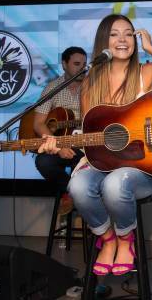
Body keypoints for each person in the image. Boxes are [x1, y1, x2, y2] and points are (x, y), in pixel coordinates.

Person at [38, 14, 152, 276]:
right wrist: (60, 143)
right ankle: (107, 238)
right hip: (105, 162)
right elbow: (93, 134)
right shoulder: (91, 82)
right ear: (104, 42)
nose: (122, 39)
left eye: (128, 33)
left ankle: (125, 237)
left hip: (142, 169)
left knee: (115, 183)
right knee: (77, 186)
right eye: (114, 34)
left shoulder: (147, 72)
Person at [34, 46, 87, 215]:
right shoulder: (52, 88)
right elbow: (39, 124)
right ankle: (72, 192)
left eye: (84, 64)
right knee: (43, 162)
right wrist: (58, 146)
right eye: (77, 64)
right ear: (64, 64)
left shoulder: (92, 87)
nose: (82, 68)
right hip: (61, 144)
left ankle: (81, 196)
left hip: (88, 145)